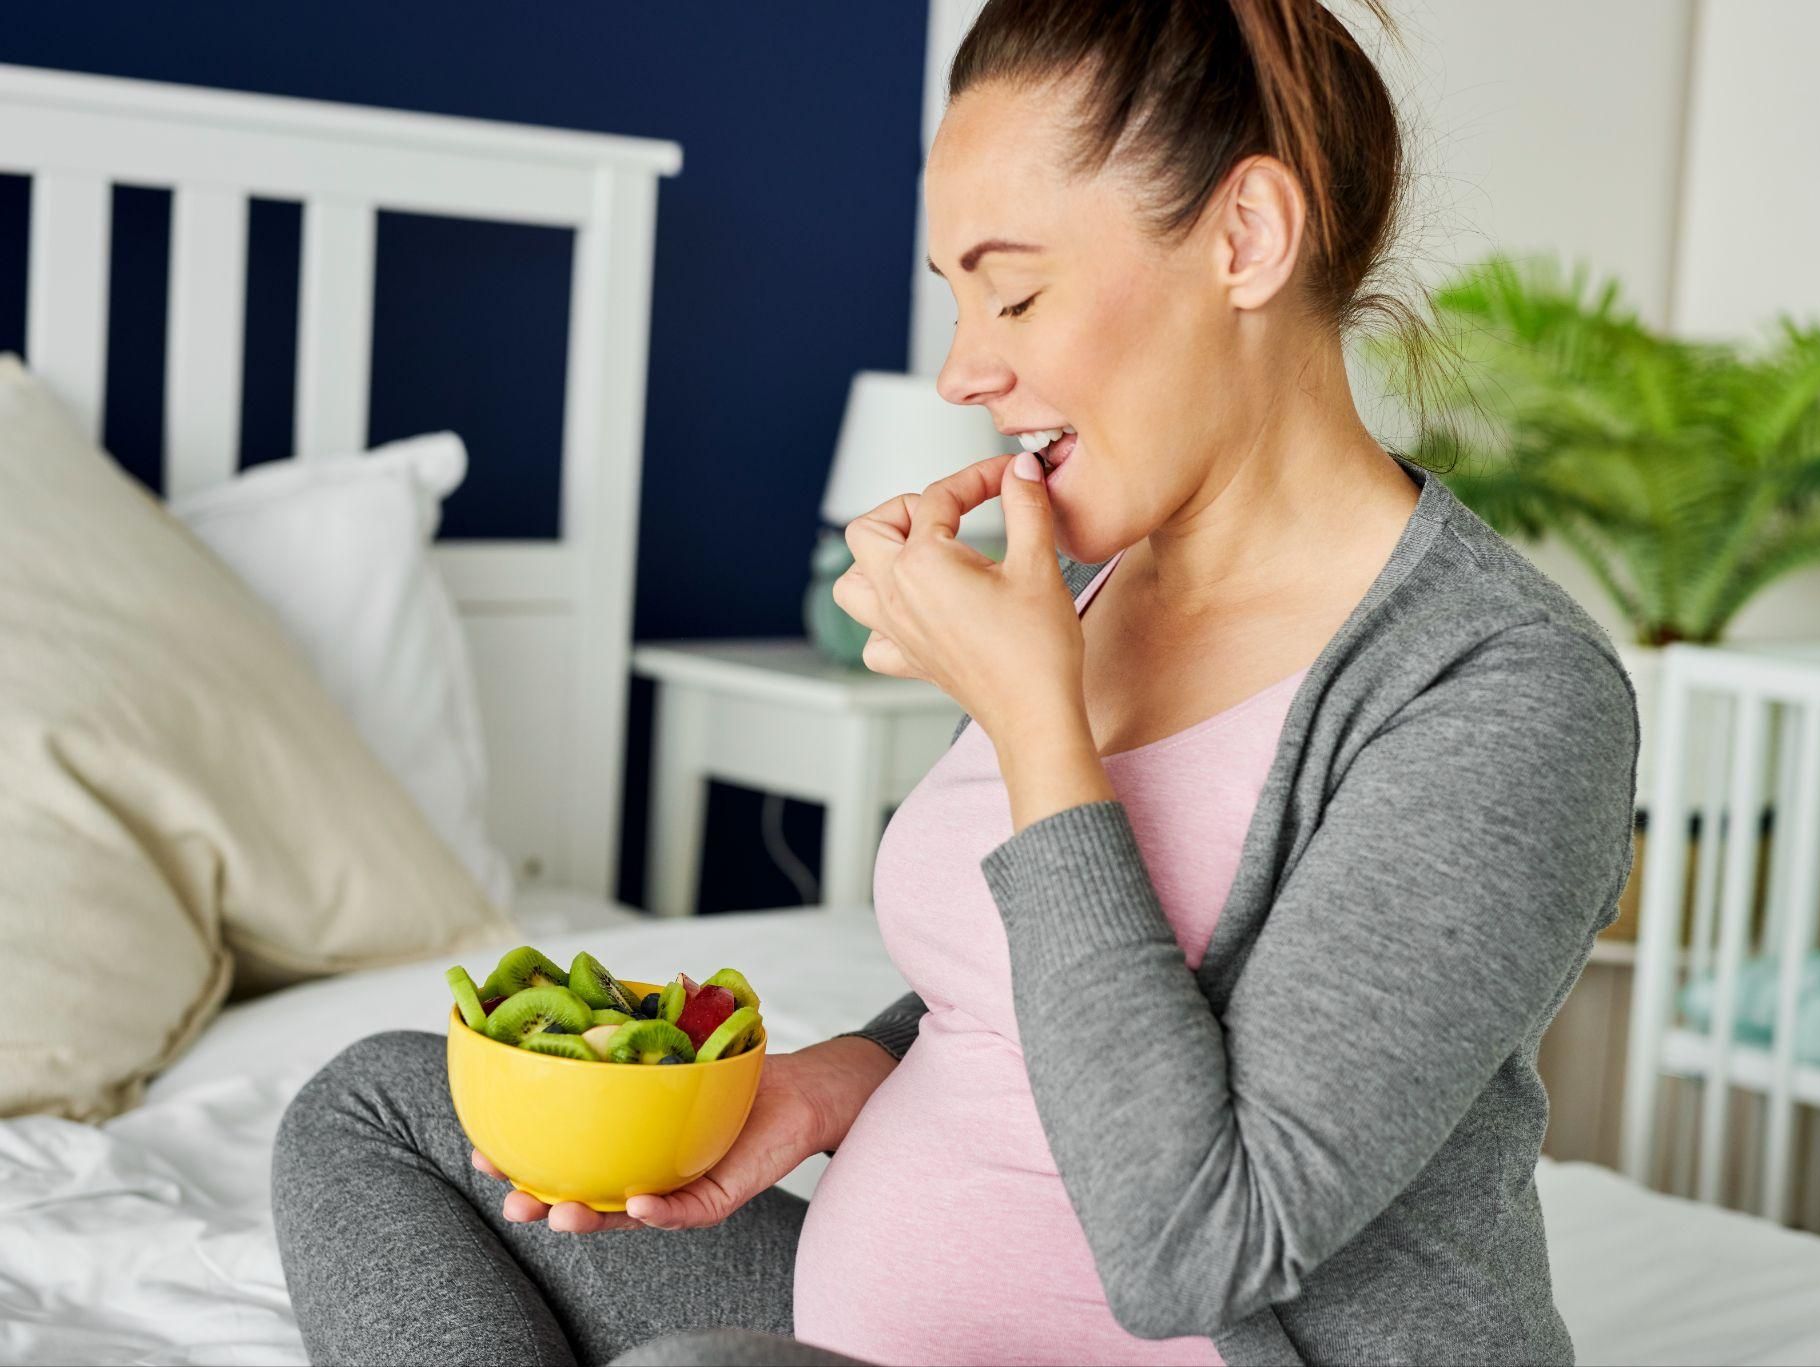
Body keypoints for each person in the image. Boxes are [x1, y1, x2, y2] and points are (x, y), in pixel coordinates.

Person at [271, 1, 1639, 1363]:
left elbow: (1194, 1247)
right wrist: (835, 1084)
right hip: (862, 1328)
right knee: (376, 1105)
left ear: (1246, 239)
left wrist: (1035, 723)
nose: (964, 368)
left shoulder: (1501, 691)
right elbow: (1025, 997)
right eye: (957, 296)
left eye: (1017, 289)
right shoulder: (1098, 583)